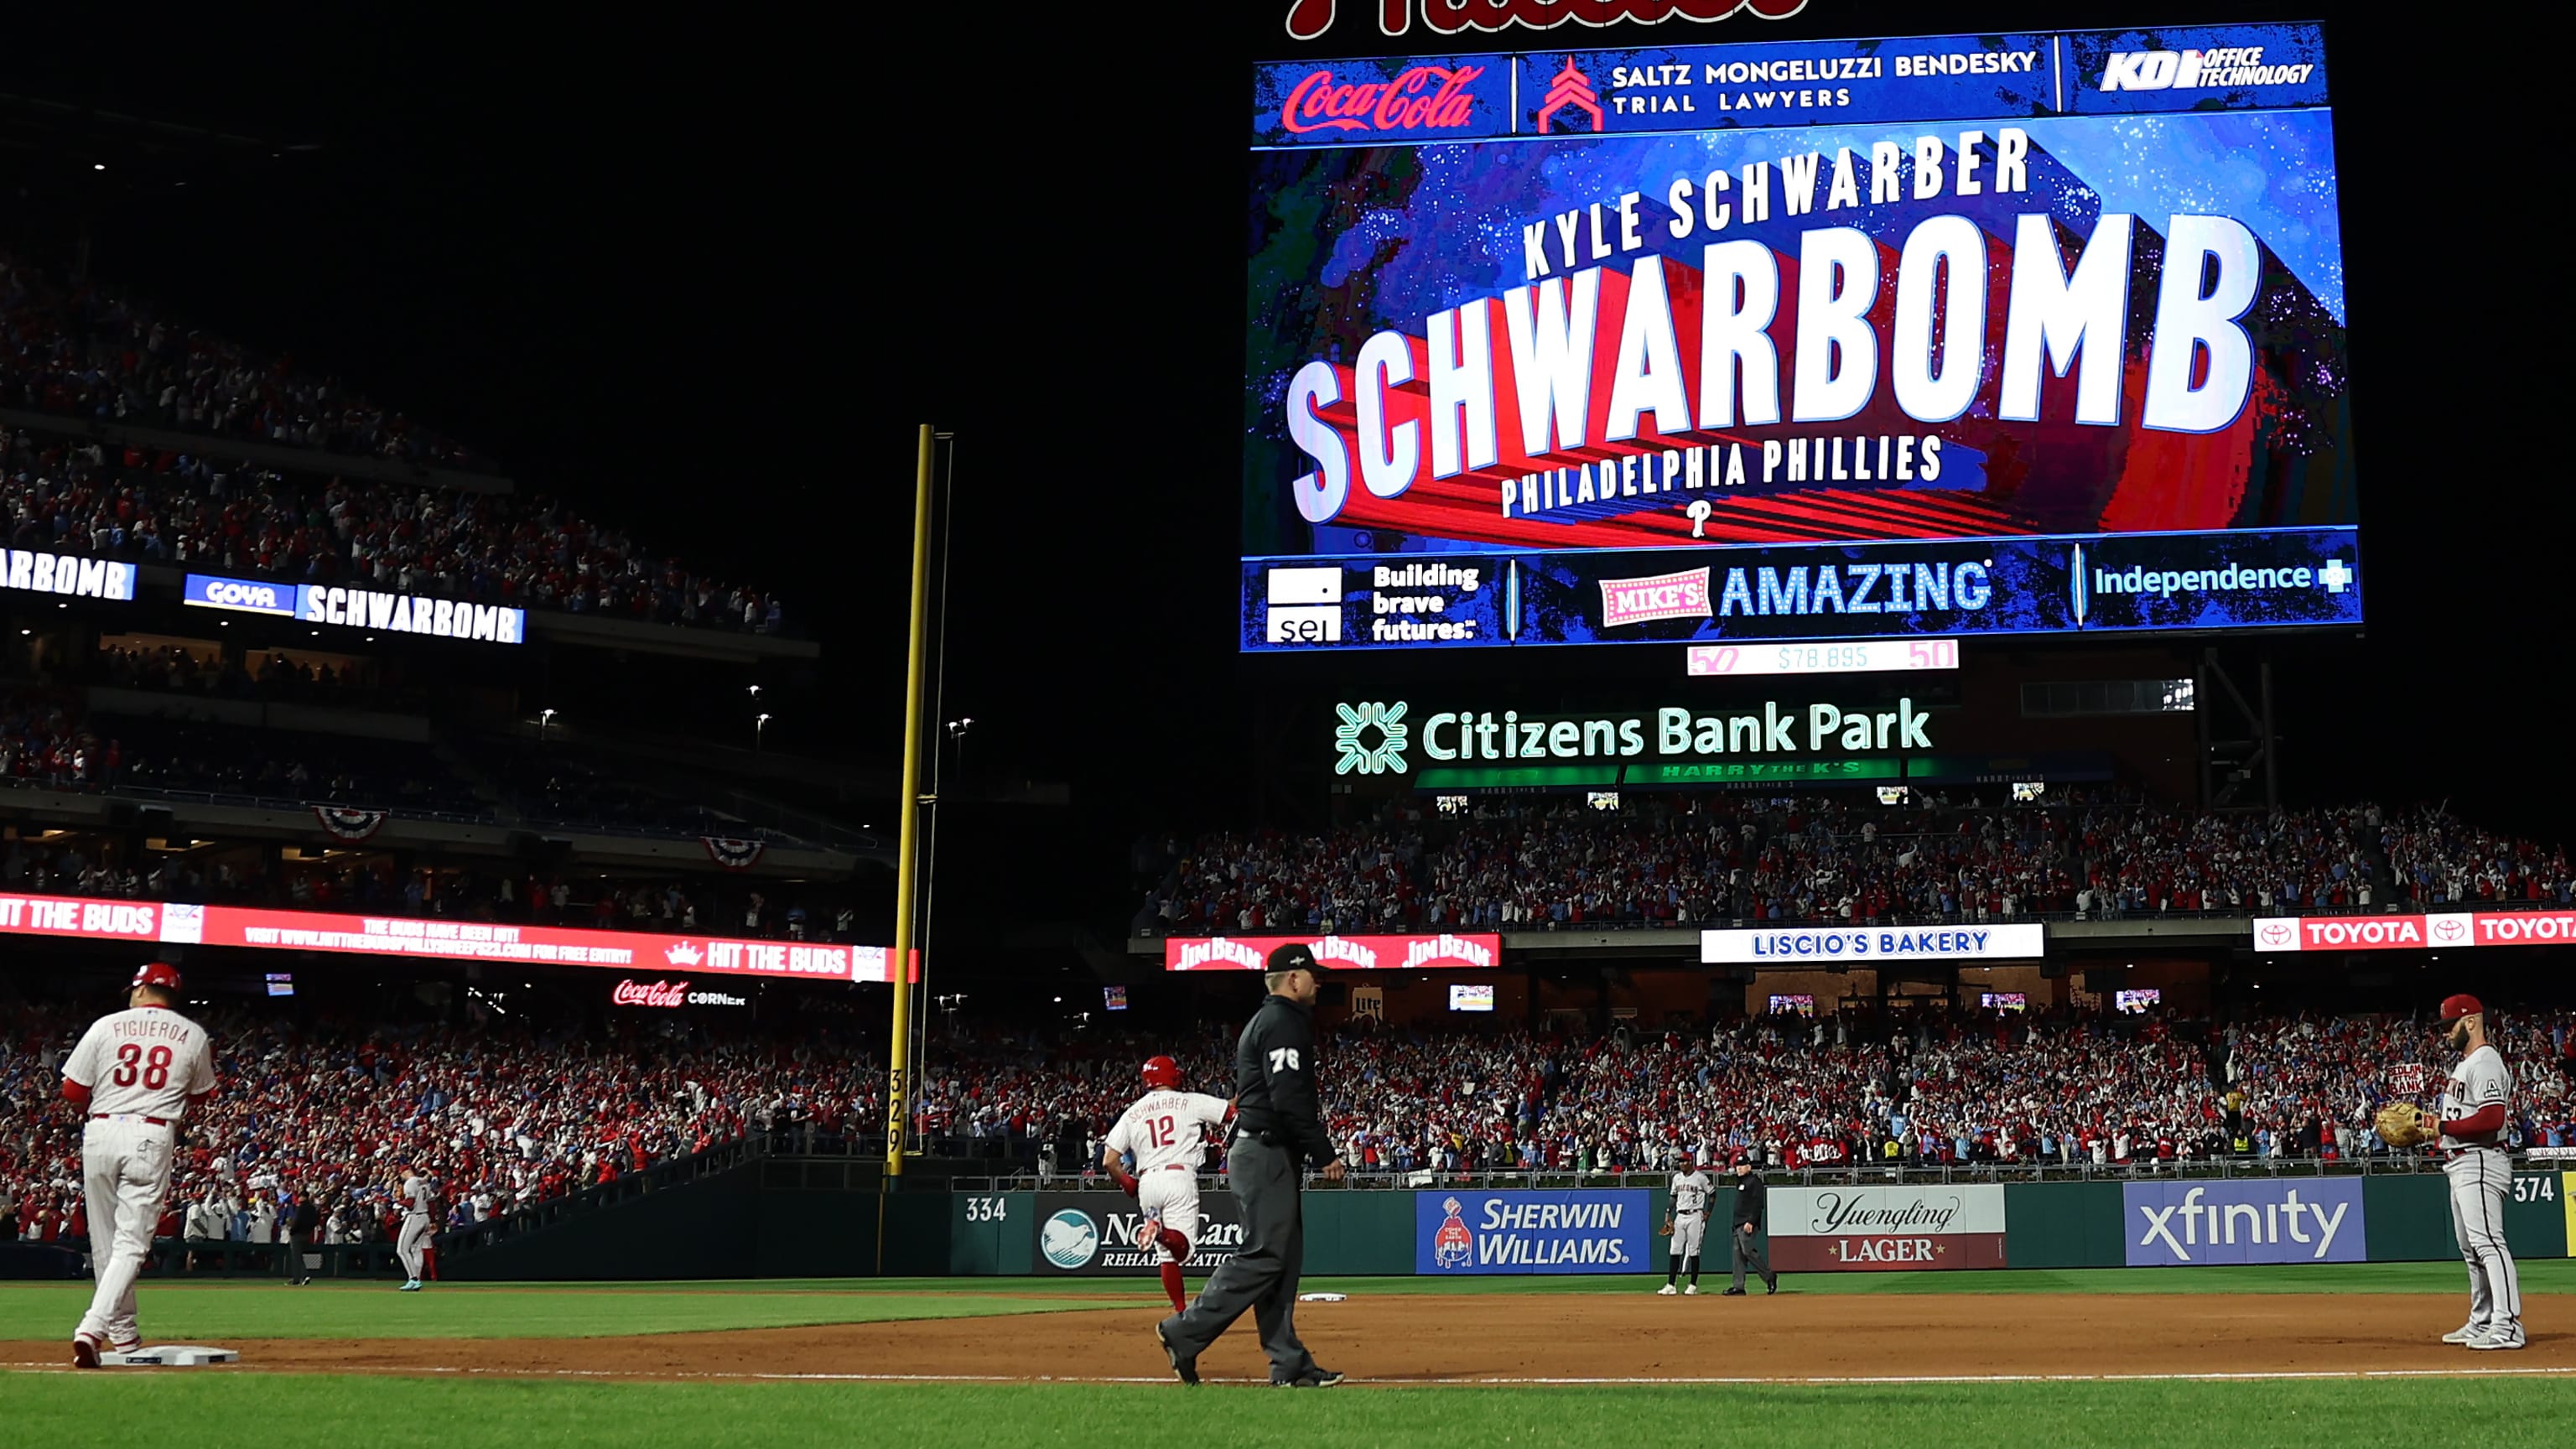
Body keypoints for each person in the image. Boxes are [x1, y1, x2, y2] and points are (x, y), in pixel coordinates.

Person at [1156, 943, 1346, 1389]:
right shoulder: (1281, 1022)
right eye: (1313, 975)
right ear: (1293, 979)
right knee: (1264, 1255)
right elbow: (1288, 1097)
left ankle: (1289, 1363)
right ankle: (1183, 1331)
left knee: (1282, 1260)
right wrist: (1324, 1152)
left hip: (1266, 1152)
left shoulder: (1275, 1020)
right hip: (1264, 1151)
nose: (1318, 982)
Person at [60, 962, 218, 1367]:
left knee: (105, 1243)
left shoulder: (105, 1025)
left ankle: (124, 1335)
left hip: (101, 1129)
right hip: (151, 1132)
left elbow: (72, 1090)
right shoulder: (193, 1034)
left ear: (141, 989)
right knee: (130, 1244)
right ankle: (94, 1328)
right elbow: (201, 1094)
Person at [1104, 1056, 1233, 1315]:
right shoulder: (1189, 1101)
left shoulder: (1133, 1112)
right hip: (1178, 1176)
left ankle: (1181, 1312)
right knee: (1183, 1251)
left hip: (1148, 1182)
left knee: (1166, 1257)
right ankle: (1159, 1232)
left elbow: (1109, 1160)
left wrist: (1129, 1182)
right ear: (1173, 1076)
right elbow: (1230, 1113)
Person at [2434, 995, 2521, 1349]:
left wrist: (2440, 1127)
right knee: (2472, 1248)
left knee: (2488, 1243)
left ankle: (2508, 1325)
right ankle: (2483, 1320)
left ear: (2470, 1022)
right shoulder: (2466, 1064)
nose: (2444, 1033)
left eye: (2449, 1025)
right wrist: (2437, 1128)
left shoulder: (2484, 1061)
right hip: (2461, 1162)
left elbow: (2491, 1118)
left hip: (2481, 1159)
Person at [1659, 1158, 1714, 1296]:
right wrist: (1668, 1213)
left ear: (1690, 1162)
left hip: (1695, 1215)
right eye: (1680, 1162)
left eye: (1684, 1161)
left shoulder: (1700, 1178)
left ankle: (1693, 1285)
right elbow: (1673, 1196)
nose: (1681, 1164)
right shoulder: (1677, 1178)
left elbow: (1712, 1194)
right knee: (1674, 1250)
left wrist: (1708, 1212)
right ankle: (1671, 1285)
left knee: (1694, 1251)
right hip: (1680, 1216)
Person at [1724, 1153, 1776, 1296]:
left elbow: (1758, 1203)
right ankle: (1738, 1286)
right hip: (1737, 1223)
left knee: (1747, 1251)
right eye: (1737, 1166)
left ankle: (1769, 1276)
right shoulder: (1740, 1182)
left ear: (1749, 1167)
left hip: (1747, 1222)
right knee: (1737, 1255)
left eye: (1742, 1166)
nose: (1739, 1169)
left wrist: (1751, 1221)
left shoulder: (1754, 1181)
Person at [395, 1163, 435, 1291]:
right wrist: (433, 1221)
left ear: (406, 1171)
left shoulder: (410, 1182)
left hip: (415, 1216)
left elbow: (410, 1203)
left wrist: (398, 1202)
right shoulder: (424, 1182)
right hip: (425, 1217)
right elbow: (432, 1202)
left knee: (401, 1249)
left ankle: (413, 1279)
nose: (401, 1176)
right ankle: (416, 1279)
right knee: (416, 1249)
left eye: (402, 1173)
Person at [284, 1187, 320, 1286]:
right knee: (299, 1257)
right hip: (307, 1234)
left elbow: (297, 1222)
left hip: (297, 1235)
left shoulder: (301, 1208)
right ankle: (302, 1277)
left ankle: (301, 1277)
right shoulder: (312, 1208)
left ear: (303, 1197)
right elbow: (315, 1221)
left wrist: (292, 1230)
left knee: (296, 1257)